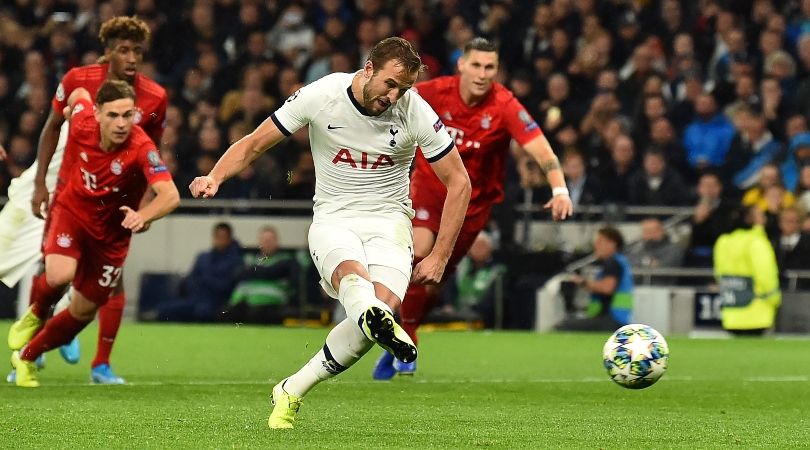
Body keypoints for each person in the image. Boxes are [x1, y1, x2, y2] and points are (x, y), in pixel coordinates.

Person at [188, 37, 471, 429]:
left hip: (390, 221)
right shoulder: (322, 94)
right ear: (369, 68)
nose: (394, 96)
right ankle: (377, 318)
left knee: (375, 317)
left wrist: (440, 255)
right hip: (334, 219)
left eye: (403, 89)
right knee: (355, 282)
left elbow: (459, 182)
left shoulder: (415, 110)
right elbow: (255, 144)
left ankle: (292, 388)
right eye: (390, 84)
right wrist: (215, 175)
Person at [374, 37, 573, 379]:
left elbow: (542, 150)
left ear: (497, 71)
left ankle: (407, 336)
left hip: (471, 206)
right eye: (476, 65)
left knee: (432, 281)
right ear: (462, 65)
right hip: (428, 190)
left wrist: (560, 189)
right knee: (419, 251)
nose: (482, 73)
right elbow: (386, 98)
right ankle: (399, 334)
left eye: (490, 67)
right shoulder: (434, 92)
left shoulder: (504, 104)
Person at [0, 16, 167, 384]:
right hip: (73, 190)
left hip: (117, 201)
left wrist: (145, 205)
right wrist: (41, 184)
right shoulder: (78, 80)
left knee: (107, 284)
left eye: (138, 51)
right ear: (107, 51)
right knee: (56, 271)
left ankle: (96, 362)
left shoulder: (154, 96)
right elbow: (51, 127)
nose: (132, 57)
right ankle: (41, 328)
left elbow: (149, 152)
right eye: (124, 49)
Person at [148, 222, 244, 322]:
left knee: (203, 312)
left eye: (223, 237)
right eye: (217, 236)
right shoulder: (202, 257)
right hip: (195, 299)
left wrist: (205, 281)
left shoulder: (235, 261)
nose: (219, 240)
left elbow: (227, 286)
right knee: (164, 309)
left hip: (217, 303)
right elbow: (191, 279)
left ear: (229, 239)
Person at [714, 205, 781, 335]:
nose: (764, 218)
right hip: (756, 312)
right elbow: (766, 275)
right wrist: (775, 299)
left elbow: (719, 273)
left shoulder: (723, 241)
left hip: (731, 311)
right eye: (760, 215)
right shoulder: (757, 242)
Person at [557, 227, 633, 332]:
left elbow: (607, 288)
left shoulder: (613, 263)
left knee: (563, 327)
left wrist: (583, 282)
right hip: (616, 317)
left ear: (612, 243)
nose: (596, 245)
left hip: (612, 318)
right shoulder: (620, 261)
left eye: (599, 242)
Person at [221, 226, 299, 324]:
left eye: (270, 240)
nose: (267, 243)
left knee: (256, 314)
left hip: (273, 304)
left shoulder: (286, 260)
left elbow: (275, 273)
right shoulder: (249, 259)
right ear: (259, 242)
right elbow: (240, 277)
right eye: (264, 240)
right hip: (248, 303)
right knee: (225, 312)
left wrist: (255, 272)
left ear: (277, 242)